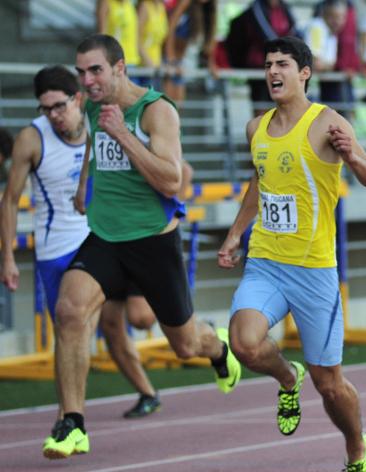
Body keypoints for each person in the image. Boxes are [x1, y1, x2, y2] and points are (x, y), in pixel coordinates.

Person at [40, 35, 240, 460]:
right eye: (81, 71)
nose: (87, 80)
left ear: (119, 68)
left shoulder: (157, 111)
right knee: (69, 311)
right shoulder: (93, 107)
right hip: (106, 236)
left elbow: (171, 180)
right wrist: (82, 187)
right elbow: (95, 145)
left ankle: (220, 347)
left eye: (95, 70)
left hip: (153, 240)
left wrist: (124, 133)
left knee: (184, 345)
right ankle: (71, 423)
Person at [217, 36, 366, 471]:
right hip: (266, 262)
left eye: (283, 64)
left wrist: (351, 155)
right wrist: (236, 233)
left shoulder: (328, 122)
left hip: (313, 271)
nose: (273, 72)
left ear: (304, 73)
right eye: (268, 64)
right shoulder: (256, 127)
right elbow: (261, 182)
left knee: (330, 385)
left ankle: (355, 444)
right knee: (244, 344)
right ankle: (289, 378)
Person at [0, 65, 163, 422]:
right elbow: (10, 199)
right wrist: (8, 257)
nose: (54, 116)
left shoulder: (99, 122)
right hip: (55, 250)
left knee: (123, 321)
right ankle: (71, 418)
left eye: (59, 106)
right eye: (45, 109)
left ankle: (93, 409)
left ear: (77, 98)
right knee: (76, 332)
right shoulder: (32, 139)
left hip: (101, 238)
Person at [224, 0, 299, 116]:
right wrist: (284, 50)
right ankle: (261, 133)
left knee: (280, 109)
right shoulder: (256, 8)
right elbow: (265, 34)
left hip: (282, 69)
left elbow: (293, 31)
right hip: (260, 69)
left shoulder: (285, 8)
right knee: (262, 110)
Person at [164, 0, 218, 106]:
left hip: (183, 62)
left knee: (177, 105)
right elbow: (170, 28)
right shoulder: (185, 3)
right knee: (168, 105)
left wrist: (211, 63)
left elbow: (209, 42)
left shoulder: (210, 10)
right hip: (173, 61)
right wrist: (170, 57)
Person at [136, 0, 169, 89]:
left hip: (156, 68)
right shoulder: (145, 6)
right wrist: (149, 62)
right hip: (143, 68)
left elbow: (159, 41)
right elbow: (136, 39)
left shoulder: (161, 8)